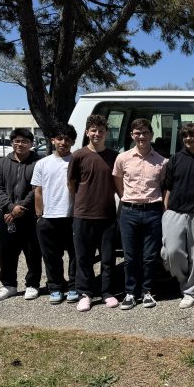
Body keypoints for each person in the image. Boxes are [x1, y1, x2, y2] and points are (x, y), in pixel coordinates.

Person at [113, 118, 167, 310]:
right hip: (129, 211)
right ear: (132, 135)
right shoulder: (123, 158)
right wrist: (125, 198)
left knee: (150, 256)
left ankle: (147, 292)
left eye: (145, 133)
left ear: (151, 135)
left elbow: (163, 187)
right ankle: (130, 292)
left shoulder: (162, 161)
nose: (141, 136)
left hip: (153, 211)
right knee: (130, 256)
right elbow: (118, 181)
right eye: (137, 133)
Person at [67, 114, 119, 311]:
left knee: (108, 258)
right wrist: (80, 203)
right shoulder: (78, 156)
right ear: (87, 132)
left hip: (107, 215)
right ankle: (85, 293)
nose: (97, 134)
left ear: (106, 133)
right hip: (83, 215)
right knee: (83, 258)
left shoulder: (114, 157)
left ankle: (107, 292)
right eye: (94, 130)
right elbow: (71, 183)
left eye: (101, 131)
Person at [161, 122, 194, 309]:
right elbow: (168, 187)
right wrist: (166, 211)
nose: (188, 139)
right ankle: (183, 282)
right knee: (172, 252)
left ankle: (191, 292)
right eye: (185, 136)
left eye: (192, 135)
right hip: (175, 213)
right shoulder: (175, 159)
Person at [0, 127, 42, 301]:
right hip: (6, 215)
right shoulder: (1, 164)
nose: (20, 144)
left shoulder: (38, 163)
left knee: (33, 251)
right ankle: (8, 285)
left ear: (31, 144)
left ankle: (33, 284)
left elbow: (36, 189)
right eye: (17, 141)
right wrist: (10, 208)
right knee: (6, 252)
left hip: (30, 215)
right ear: (12, 143)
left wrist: (21, 208)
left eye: (25, 141)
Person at [31, 123, 77, 305]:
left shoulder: (77, 160)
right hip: (48, 218)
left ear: (72, 142)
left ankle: (74, 286)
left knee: (75, 255)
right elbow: (38, 191)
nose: (63, 142)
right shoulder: (42, 163)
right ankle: (56, 288)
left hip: (72, 216)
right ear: (52, 140)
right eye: (59, 138)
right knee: (51, 256)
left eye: (67, 139)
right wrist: (39, 216)